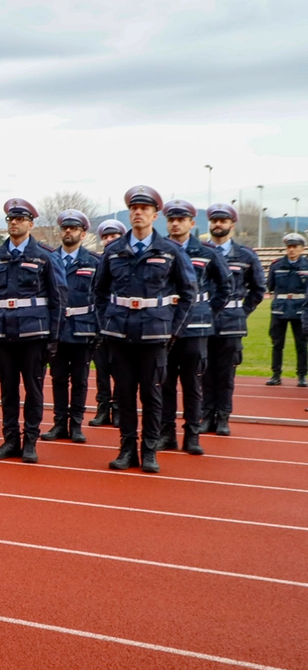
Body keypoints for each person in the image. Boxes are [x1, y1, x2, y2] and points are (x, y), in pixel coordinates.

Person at [93, 186, 195, 474]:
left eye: (144, 208)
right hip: (120, 334)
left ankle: (149, 450)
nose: (138, 212)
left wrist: (173, 329)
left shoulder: (170, 251)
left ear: (154, 214)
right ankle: (127, 449)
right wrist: (106, 324)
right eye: (134, 208)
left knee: (152, 394)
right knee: (123, 394)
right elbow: (99, 292)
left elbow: (188, 292)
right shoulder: (113, 251)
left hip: (154, 334)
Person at [0, 198, 67, 464]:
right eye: (11, 219)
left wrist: (53, 338)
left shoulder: (44, 256)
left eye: (20, 219)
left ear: (30, 224)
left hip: (34, 334)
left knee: (33, 389)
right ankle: (10, 439)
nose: (14, 223)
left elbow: (58, 299)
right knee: (8, 391)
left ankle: (30, 441)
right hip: (3, 334)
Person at [159, 200, 231, 455]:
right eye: (171, 220)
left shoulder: (208, 253)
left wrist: (207, 312)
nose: (176, 224)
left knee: (192, 385)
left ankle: (192, 435)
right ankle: (166, 433)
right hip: (166, 325)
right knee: (165, 384)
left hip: (196, 327)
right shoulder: (160, 250)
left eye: (181, 219)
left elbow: (225, 287)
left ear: (192, 223)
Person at [201, 203, 266, 436]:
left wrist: (242, 311)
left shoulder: (246, 255)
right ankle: (206, 415)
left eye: (223, 220)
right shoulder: (201, 252)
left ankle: (223, 417)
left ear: (232, 224)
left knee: (226, 373)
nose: (218, 224)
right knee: (205, 372)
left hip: (231, 323)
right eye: (215, 220)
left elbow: (258, 289)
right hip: (205, 320)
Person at [41, 210, 101, 444]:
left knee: (80, 379)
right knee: (57, 379)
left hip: (82, 328)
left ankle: (75, 424)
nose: (68, 231)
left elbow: (100, 297)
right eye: (65, 228)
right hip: (56, 328)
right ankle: (59, 423)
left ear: (83, 233)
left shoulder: (94, 262)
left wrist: (97, 330)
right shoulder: (48, 259)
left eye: (74, 228)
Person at [89, 220, 127, 428]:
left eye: (114, 236)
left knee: (120, 371)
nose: (109, 240)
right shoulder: (96, 261)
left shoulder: (125, 261)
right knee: (102, 371)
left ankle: (119, 409)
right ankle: (103, 408)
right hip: (99, 324)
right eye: (106, 237)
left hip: (120, 325)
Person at [266, 232, 308, 387]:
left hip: (300, 310)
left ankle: (302, 375)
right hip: (280, 310)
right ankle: (276, 375)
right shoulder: (276, 265)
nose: (291, 250)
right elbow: (270, 286)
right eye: (289, 246)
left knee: (301, 344)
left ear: (302, 249)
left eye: (295, 247)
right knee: (277, 343)